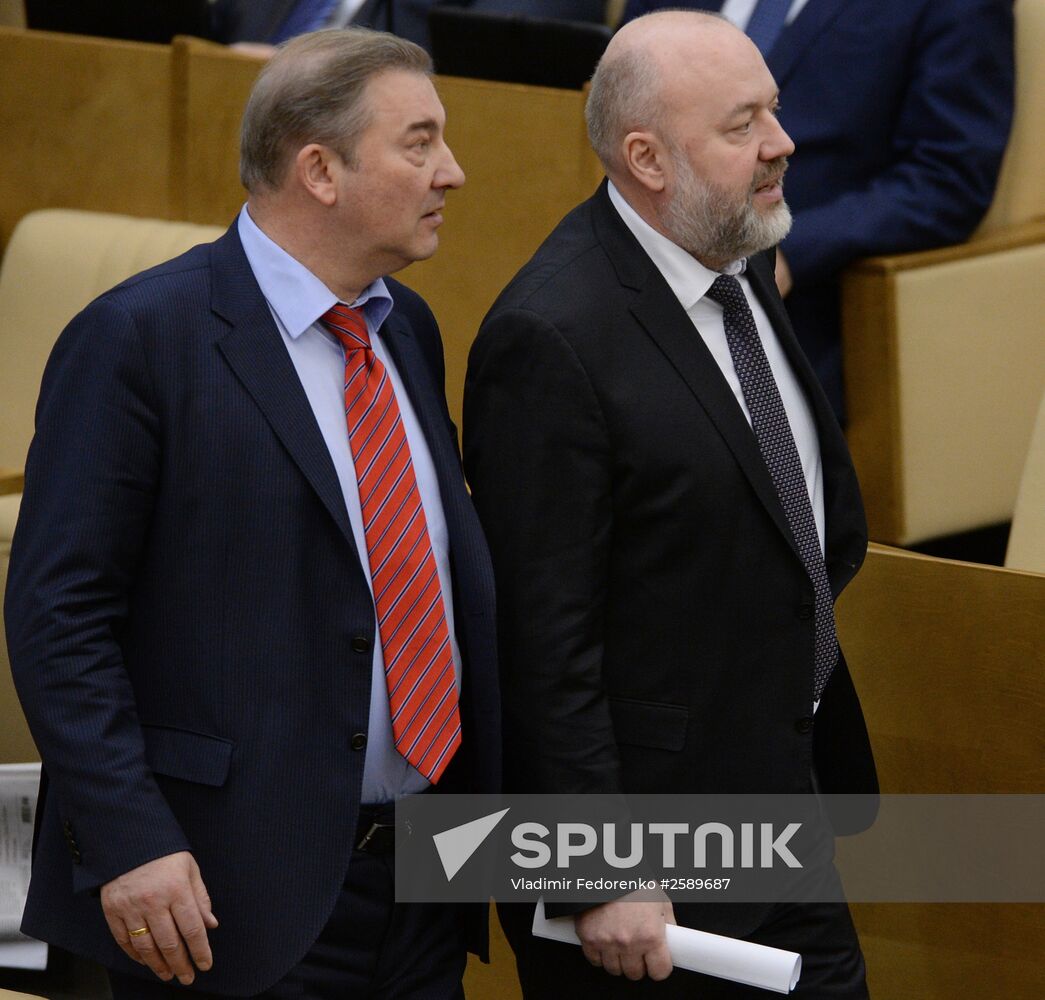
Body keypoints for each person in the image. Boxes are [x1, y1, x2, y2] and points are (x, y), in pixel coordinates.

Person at [6, 27, 499, 1000]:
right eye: (418, 141)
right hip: (222, 897)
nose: (454, 170)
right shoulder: (140, 340)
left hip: (424, 881)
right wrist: (129, 840)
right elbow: (58, 615)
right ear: (319, 168)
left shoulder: (409, 333)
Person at [464, 10, 876, 998]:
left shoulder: (735, 259)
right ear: (646, 158)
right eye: (743, 126)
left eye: (772, 110)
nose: (781, 143)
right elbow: (538, 639)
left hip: (774, 807)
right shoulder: (548, 339)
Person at [621, 0, 1015, 419]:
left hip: (806, 301)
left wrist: (790, 250)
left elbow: (948, 178)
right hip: (634, 266)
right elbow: (614, 99)